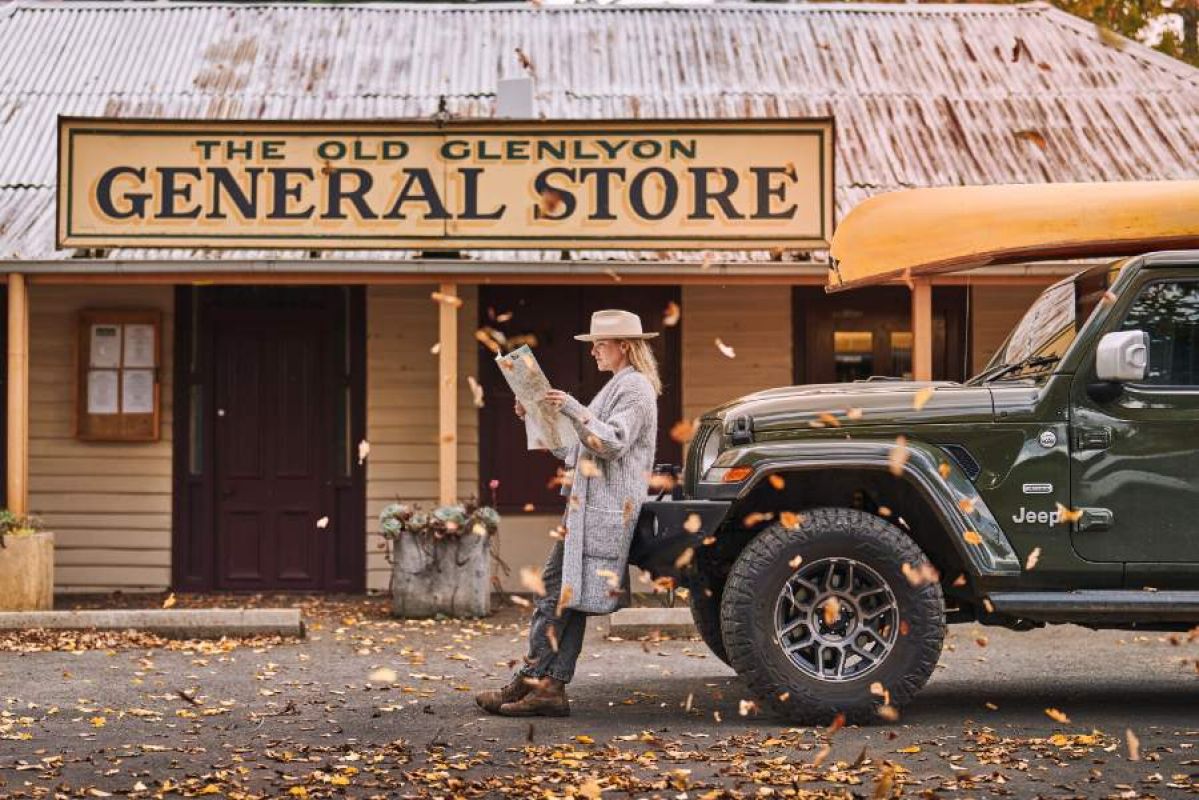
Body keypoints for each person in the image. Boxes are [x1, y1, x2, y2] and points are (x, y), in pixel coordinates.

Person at [476, 309, 662, 717]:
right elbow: (577, 450)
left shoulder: (635, 390)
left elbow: (611, 443)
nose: (593, 351)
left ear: (624, 347)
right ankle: (545, 687)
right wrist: (538, 416)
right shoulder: (618, 386)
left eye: (600, 344)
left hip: (604, 511)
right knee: (565, 597)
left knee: (554, 593)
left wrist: (574, 408)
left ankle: (535, 682)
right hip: (589, 511)